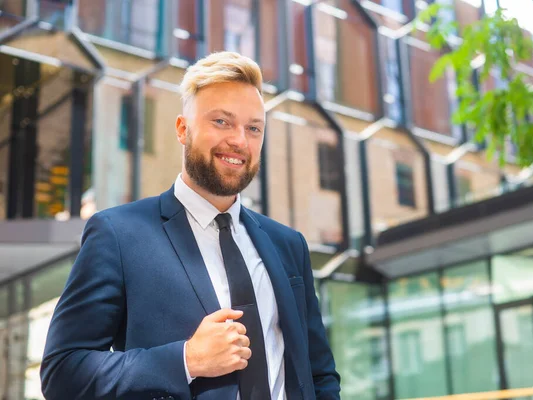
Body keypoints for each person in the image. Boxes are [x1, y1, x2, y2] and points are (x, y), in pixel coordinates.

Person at [40, 51, 340, 400]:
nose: (240, 141)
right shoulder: (118, 234)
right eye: (222, 122)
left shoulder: (289, 245)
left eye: (253, 128)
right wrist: (186, 359)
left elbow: (318, 372)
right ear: (183, 129)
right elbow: (63, 372)